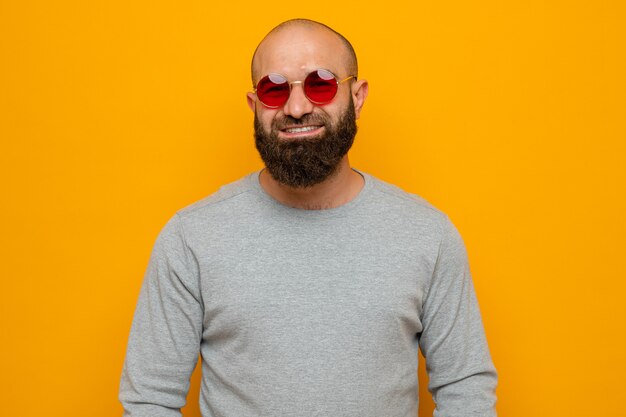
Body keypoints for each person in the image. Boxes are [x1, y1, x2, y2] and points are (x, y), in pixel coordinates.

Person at [119, 18, 497, 417]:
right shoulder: (191, 238)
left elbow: (465, 390)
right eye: (273, 89)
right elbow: (150, 401)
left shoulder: (427, 235)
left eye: (321, 83)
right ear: (254, 105)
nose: (296, 108)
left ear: (358, 95)